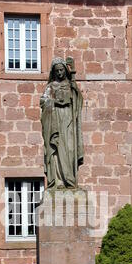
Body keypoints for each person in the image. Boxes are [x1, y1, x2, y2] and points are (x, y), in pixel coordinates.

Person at [40, 57, 84, 189]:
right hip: (55, 119)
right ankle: (58, 181)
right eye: (57, 71)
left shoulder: (71, 86)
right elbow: (43, 101)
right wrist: (54, 102)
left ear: (65, 70)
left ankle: (70, 179)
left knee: (69, 148)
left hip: (68, 119)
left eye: (61, 70)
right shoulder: (50, 87)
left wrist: (74, 88)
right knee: (57, 149)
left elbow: (78, 102)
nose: (59, 73)